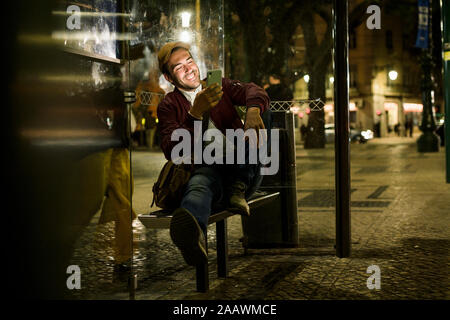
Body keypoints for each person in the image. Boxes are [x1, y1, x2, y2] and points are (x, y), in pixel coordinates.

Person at [156, 41, 270, 266]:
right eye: (179, 67)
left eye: (189, 61)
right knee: (198, 185)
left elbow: (254, 90)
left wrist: (254, 111)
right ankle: (191, 236)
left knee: (259, 118)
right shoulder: (169, 105)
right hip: (209, 171)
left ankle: (237, 187)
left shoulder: (220, 86)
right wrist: (194, 114)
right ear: (169, 78)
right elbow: (172, 149)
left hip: (243, 170)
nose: (189, 68)